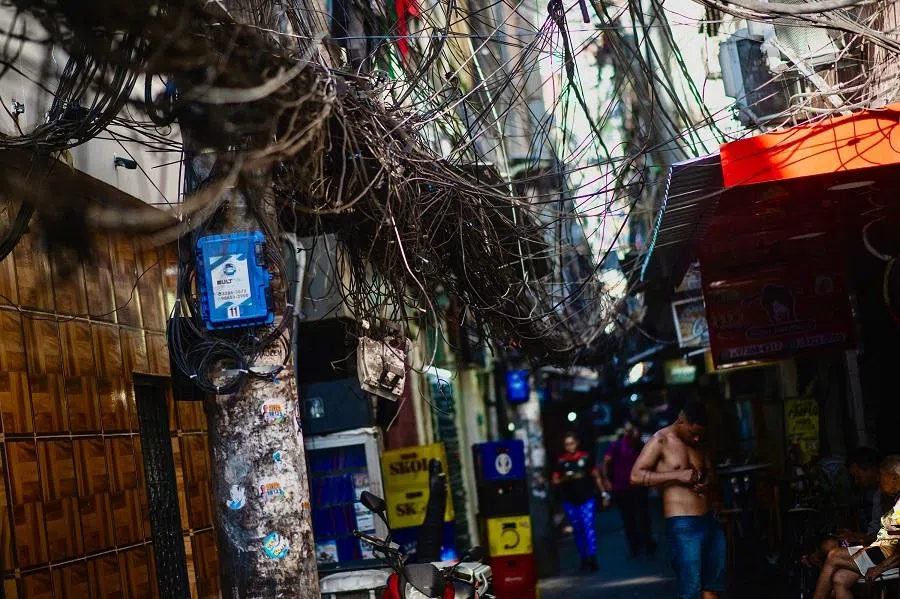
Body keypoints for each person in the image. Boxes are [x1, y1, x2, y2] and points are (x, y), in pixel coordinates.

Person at [630, 399, 725, 599]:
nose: (697, 439)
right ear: (681, 421)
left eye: (700, 434)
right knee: (690, 591)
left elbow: (712, 475)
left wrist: (707, 483)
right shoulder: (660, 441)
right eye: (693, 433)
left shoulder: (699, 442)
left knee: (713, 587)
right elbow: (636, 476)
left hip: (709, 519)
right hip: (683, 524)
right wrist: (676, 476)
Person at [812, 455, 900, 599]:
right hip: (883, 551)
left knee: (833, 555)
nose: (880, 480)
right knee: (840, 579)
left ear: (894, 478)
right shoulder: (893, 500)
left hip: (887, 556)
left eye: (883, 476)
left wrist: (880, 568)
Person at [553, 432, 605, 572]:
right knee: (577, 530)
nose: (570, 446)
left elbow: (596, 475)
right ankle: (583, 559)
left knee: (588, 527)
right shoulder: (561, 462)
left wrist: (604, 493)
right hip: (570, 501)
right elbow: (555, 480)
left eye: (572, 443)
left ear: (577, 443)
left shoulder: (585, 458)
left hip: (587, 499)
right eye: (567, 444)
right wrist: (566, 478)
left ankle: (592, 557)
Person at [603, 420, 657, 557]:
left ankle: (648, 542)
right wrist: (607, 481)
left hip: (639, 486)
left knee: (643, 516)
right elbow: (605, 462)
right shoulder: (616, 446)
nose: (634, 434)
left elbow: (651, 462)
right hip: (622, 488)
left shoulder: (641, 446)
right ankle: (635, 547)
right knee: (629, 519)